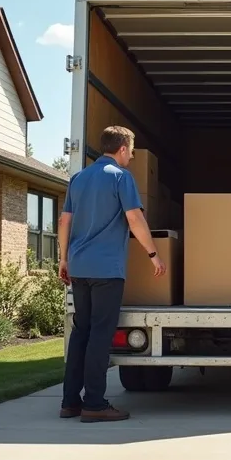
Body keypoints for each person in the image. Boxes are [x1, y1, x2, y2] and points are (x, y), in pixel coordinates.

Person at [57, 125, 166, 423]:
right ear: (121, 149)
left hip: (78, 267)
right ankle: (94, 403)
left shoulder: (78, 179)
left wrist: (63, 260)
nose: (131, 156)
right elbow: (134, 219)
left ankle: (70, 402)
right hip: (106, 269)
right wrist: (153, 255)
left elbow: (65, 221)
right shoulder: (120, 177)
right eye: (130, 150)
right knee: (100, 335)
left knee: (81, 332)